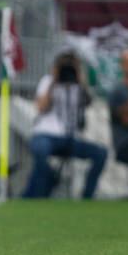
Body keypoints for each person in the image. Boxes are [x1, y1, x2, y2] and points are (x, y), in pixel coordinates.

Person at [23, 51, 107, 199]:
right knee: (40, 150)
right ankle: (45, 185)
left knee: (101, 153)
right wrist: (54, 81)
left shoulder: (78, 86)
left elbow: (88, 102)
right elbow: (41, 107)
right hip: (46, 134)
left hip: (70, 137)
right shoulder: (48, 81)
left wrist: (81, 80)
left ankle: (87, 196)